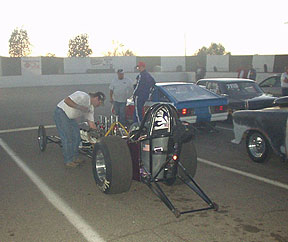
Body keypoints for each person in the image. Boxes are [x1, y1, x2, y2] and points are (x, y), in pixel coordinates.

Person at [54, 91, 105, 167]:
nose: (99, 105)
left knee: (77, 137)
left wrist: (98, 134)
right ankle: (68, 160)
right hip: (61, 113)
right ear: (96, 98)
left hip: (71, 118)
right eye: (99, 103)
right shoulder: (82, 96)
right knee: (68, 138)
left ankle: (74, 157)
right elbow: (67, 100)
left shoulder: (90, 108)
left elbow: (91, 123)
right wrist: (80, 107)